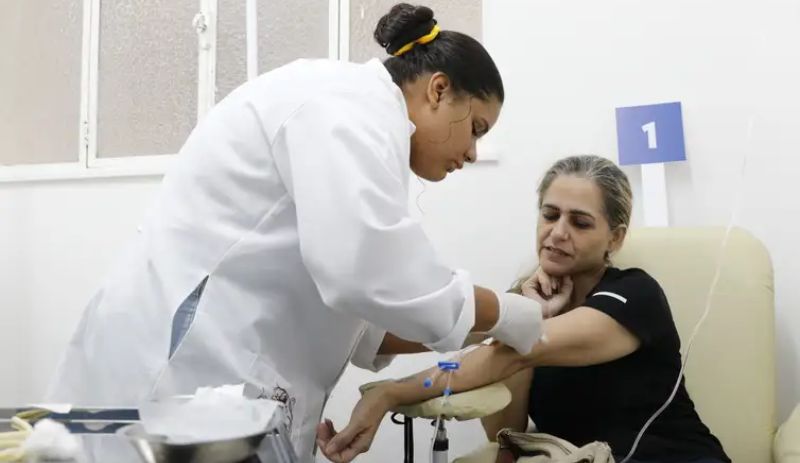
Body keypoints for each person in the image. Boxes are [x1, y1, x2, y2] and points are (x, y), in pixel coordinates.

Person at [45, 3, 548, 461]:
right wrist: (507, 313)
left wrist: (494, 319)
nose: (473, 152)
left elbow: (369, 313)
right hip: (184, 364)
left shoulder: (365, 125)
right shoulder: (346, 108)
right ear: (438, 89)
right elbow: (366, 275)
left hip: (223, 375)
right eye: (477, 128)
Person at [319, 155, 730, 463]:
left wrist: (391, 392)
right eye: (549, 215)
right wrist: (533, 312)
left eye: (581, 223)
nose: (557, 233)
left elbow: (523, 347)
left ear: (615, 238)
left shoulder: (636, 295)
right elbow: (506, 432)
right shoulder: (526, 309)